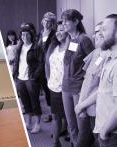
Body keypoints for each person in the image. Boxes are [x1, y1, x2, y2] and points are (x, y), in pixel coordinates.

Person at [76, 14, 117, 147]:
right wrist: (81, 105)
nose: (99, 35)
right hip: (104, 127)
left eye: (104, 30)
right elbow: (102, 90)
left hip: (111, 133)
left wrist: (104, 132)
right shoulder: (110, 59)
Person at [61, 9, 95, 147]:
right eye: (62, 21)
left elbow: (93, 66)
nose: (63, 24)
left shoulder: (84, 39)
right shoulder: (70, 39)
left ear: (76, 21)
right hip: (66, 87)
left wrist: (85, 88)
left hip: (79, 89)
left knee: (82, 127)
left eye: (66, 20)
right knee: (71, 125)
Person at [13, 24, 42, 134]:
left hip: (31, 79)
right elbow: (16, 61)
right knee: (25, 101)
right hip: (20, 78)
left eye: (27, 34)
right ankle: (28, 121)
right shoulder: (19, 47)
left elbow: (41, 63)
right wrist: (15, 73)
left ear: (31, 35)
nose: (24, 36)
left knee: (34, 101)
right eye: (22, 35)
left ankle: (37, 124)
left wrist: (35, 75)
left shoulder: (36, 47)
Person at [45, 21, 70, 147]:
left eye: (62, 30)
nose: (59, 33)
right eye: (58, 31)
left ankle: (72, 140)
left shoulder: (71, 47)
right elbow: (47, 64)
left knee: (69, 118)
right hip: (53, 87)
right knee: (55, 117)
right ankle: (56, 143)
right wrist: (49, 78)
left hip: (66, 89)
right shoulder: (53, 47)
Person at [38, 12, 57, 122]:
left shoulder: (54, 34)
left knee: (51, 90)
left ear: (52, 23)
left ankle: (53, 114)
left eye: (50, 21)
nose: (47, 23)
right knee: (45, 89)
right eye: (45, 20)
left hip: (50, 65)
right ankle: (50, 111)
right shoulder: (40, 33)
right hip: (40, 65)